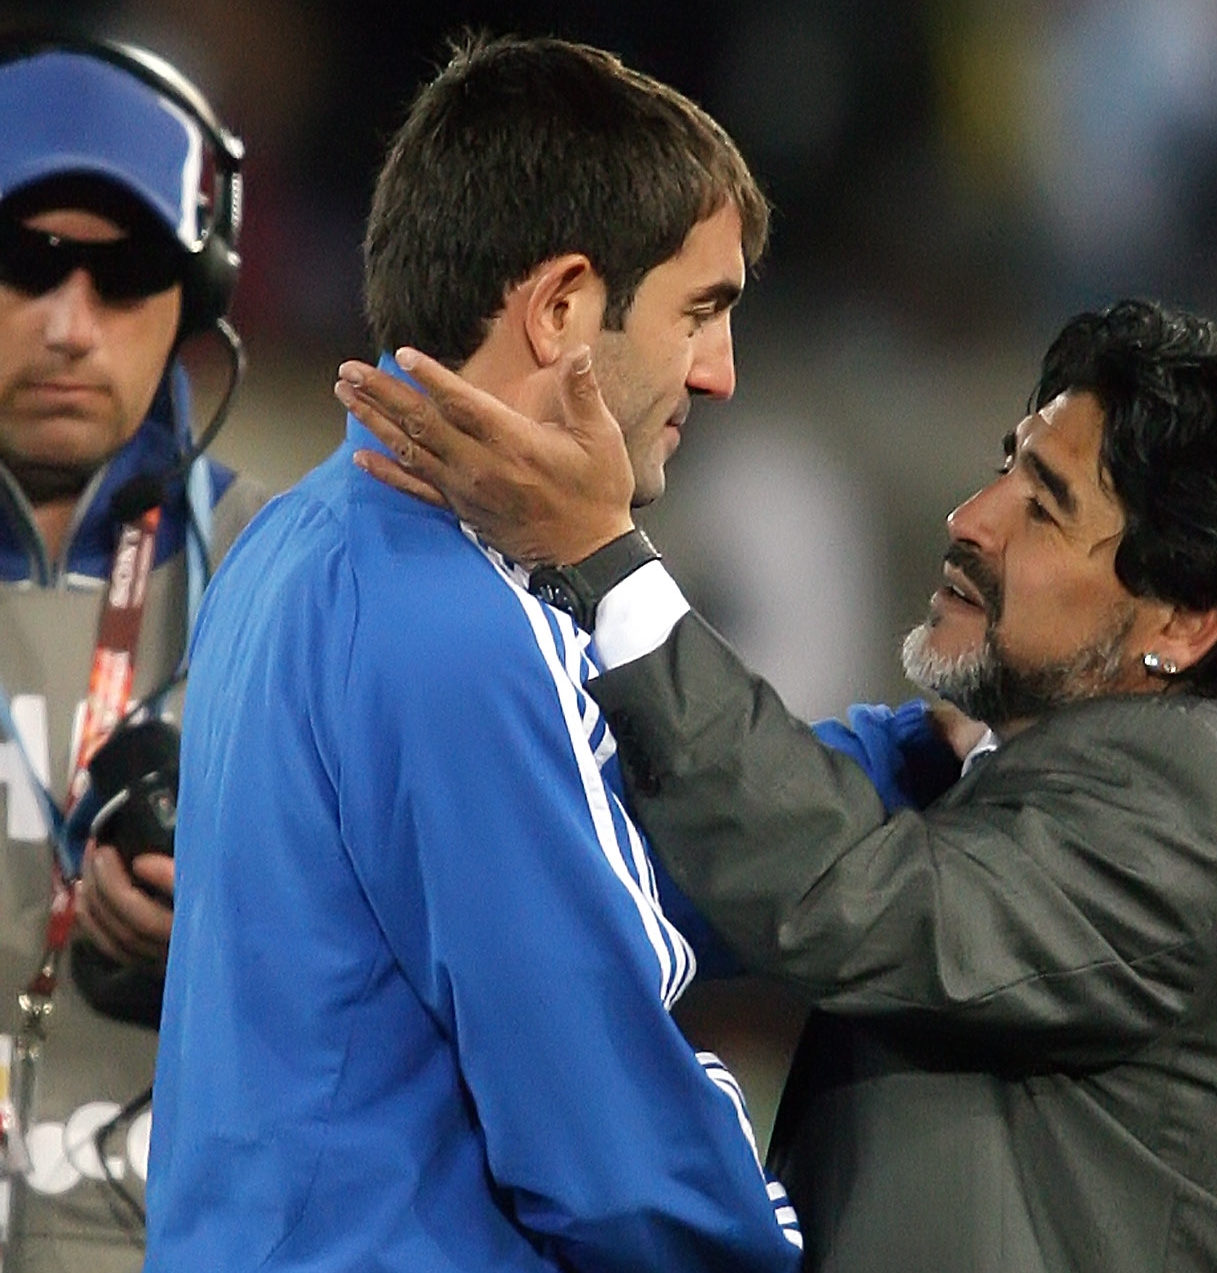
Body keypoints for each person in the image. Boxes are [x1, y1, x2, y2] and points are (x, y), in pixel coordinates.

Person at [338, 296, 1217, 1272]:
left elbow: (847, 900)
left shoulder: (1204, 786)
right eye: (1004, 466)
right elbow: (679, 866)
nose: (969, 518)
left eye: (1042, 508)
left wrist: (608, 567)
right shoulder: (1048, 777)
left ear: (1184, 618)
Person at [146, 34, 804, 1273]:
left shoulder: (294, 544)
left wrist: (895, 760)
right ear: (560, 310)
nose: (718, 374)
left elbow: (630, 835)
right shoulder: (460, 626)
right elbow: (615, 1156)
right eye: (700, 311)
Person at [0, 29, 264, 1272]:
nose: (69, 327)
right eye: (24, 263)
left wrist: (237, 933)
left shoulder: (293, 585)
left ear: (199, 292)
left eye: (125, 274)